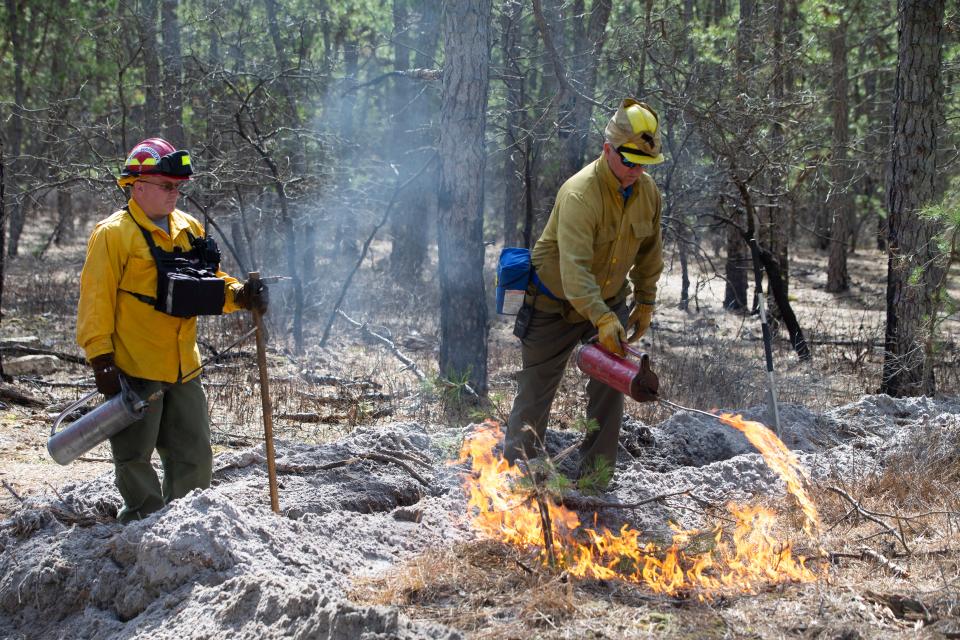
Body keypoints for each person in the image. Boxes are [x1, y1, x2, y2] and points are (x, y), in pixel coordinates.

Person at [76, 137, 269, 523]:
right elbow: (95, 301)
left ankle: (187, 524)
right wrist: (100, 358)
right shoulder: (113, 234)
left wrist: (243, 296)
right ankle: (142, 523)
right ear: (138, 185)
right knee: (134, 455)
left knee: (194, 451)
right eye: (167, 186)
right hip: (136, 366)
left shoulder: (189, 227)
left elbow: (211, 283)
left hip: (185, 366)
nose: (174, 194)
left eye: (178, 187)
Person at [503, 98, 665, 489]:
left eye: (643, 164)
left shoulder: (648, 194)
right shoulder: (579, 193)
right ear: (607, 149)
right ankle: (516, 479)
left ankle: (595, 481)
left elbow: (649, 253)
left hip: (607, 299)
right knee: (535, 392)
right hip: (553, 302)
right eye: (628, 161)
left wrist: (644, 300)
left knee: (612, 386)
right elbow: (573, 270)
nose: (635, 171)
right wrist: (603, 318)